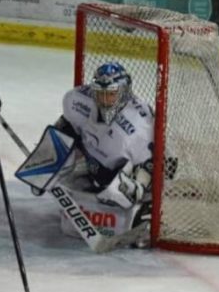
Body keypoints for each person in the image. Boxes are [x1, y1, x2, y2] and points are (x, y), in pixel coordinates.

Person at [47, 63, 156, 248]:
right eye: (100, 93)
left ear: (124, 93)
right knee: (64, 156)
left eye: (111, 94)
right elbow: (66, 124)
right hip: (94, 165)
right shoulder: (79, 100)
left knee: (122, 192)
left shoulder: (139, 124)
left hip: (121, 172)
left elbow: (152, 162)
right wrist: (51, 151)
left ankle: (146, 211)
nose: (104, 100)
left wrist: (139, 186)